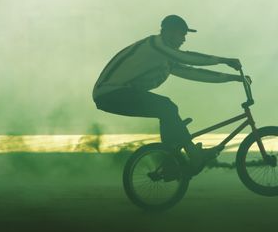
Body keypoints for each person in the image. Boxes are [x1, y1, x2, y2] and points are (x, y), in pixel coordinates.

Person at [93, 15, 248, 168]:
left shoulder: (166, 58)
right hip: (110, 93)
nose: (183, 39)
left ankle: (170, 163)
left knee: (167, 112)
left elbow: (193, 73)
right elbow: (188, 58)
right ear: (168, 32)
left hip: (117, 94)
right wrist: (225, 60)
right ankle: (192, 154)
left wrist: (233, 78)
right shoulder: (155, 45)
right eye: (182, 34)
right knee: (167, 107)